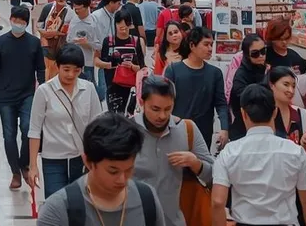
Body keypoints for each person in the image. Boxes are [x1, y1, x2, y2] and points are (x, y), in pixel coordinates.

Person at [213, 85, 306, 226]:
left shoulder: (230, 152)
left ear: (243, 114)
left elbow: (218, 202)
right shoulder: (295, 151)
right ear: (275, 112)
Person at [37, 113, 166, 226]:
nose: (122, 180)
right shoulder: (58, 210)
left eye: (128, 169)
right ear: (88, 162)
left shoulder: (147, 199)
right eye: (113, 171)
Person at [134, 76, 215, 226]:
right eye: (155, 109)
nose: (162, 116)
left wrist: (196, 164)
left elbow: (214, 176)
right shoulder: (126, 131)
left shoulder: (187, 129)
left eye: (168, 109)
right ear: (141, 102)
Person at [26, 44, 104, 199]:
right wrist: (33, 166)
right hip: (53, 159)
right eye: (66, 69)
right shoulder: (44, 91)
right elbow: (35, 130)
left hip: (82, 159)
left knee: (80, 206)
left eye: (76, 70)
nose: (71, 74)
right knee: (56, 206)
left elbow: (97, 126)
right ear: (57, 66)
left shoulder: (88, 89)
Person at [0, 5, 45, 190]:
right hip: (5, 95)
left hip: (28, 94)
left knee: (28, 130)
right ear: (10, 19)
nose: (17, 24)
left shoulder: (34, 43)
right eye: (15, 20)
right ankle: (15, 172)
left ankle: (24, 163)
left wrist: (42, 90)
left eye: (21, 22)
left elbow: (40, 69)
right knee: (8, 135)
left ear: (26, 23)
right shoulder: (1, 42)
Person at [164, 27, 229, 150]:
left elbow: (221, 103)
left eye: (211, 44)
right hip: (176, 130)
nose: (210, 49)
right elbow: (165, 100)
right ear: (192, 45)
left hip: (204, 133)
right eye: (206, 44)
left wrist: (224, 129)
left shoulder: (215, 73)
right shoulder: (173, 70)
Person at [99, 11, 145, 114]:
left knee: (129, 116)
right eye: (120, 24)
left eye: (126, 25)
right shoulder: (108, 41)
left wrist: (133, 66)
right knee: (115, 115)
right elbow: (100, 62)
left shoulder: (136, 41)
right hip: (112, 86)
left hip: (131, 88)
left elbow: (142, 67)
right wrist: (111, 65)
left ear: (130, 25)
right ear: (115, 24)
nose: (123, 27)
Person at [228, 34, 270, 140]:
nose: (261, 56)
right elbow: (243, 98)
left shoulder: (265, 68)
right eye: (255, 53)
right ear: (247, 55)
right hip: (244, 129)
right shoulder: (241, 75)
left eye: (263, 51)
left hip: (264, 126)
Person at [67, 0, 103, 84]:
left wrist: (88, 43)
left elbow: (100, 45)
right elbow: (68, 40)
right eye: (75, 9)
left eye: (79, 9)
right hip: (73, 61)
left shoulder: (94, 23)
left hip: (88, 62)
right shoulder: (73, 21)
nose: (77, 11)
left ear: (87, 7)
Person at [39, 0, 74, 80]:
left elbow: (69, 31)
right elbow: (39, 24)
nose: (61, 3)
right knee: (48, 70)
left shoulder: (69, 12)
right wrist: (43, 33)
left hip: (61, 46)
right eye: (59, 0)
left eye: (62, 0)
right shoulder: (48, 8)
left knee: (58, 71)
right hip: (47, 45)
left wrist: (56, 33)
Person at [268, 66, 306, 143]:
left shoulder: (301, 113)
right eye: (286, 84)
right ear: (271, 85)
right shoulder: (264, 114)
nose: (291, 91)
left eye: (293, 86)